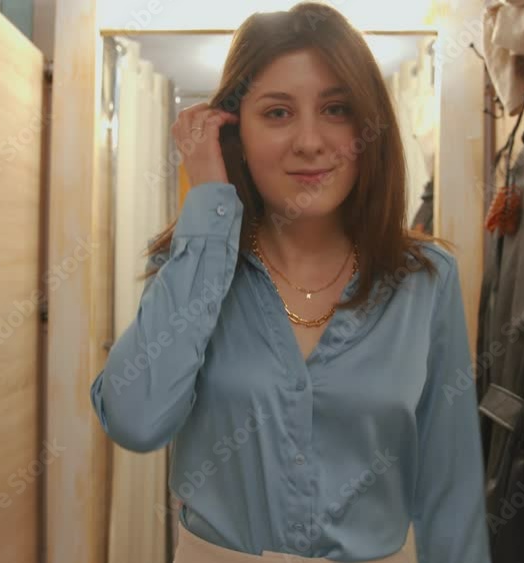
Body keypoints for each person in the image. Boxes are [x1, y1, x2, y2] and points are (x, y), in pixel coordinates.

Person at [90, 3, 491, 562]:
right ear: (236, 130)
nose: (309, 140)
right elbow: (134, 420)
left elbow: (452, 493)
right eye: (277, 113)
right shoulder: (194, 266)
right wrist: (208, 204)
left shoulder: (424, 282)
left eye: (336, 109)